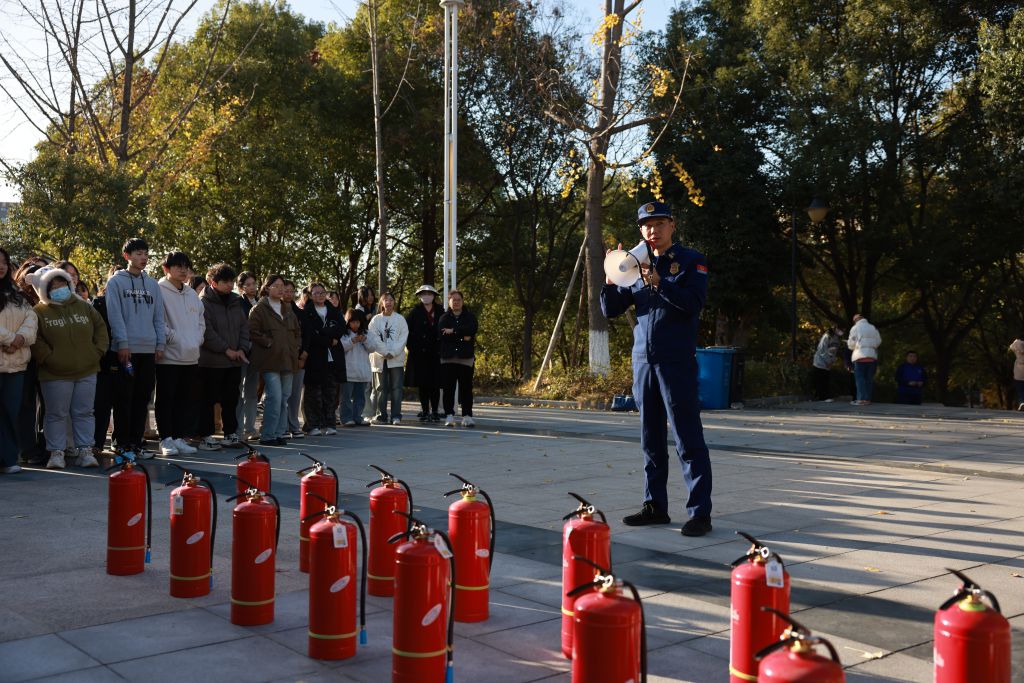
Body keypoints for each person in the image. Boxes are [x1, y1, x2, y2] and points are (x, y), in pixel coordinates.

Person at [600, 200, 714, 537]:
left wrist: (660, 282)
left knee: (687, 438)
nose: (653, 230)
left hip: (675, 361)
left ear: (672, 226)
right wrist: (612, 277)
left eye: (660, 223)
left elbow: (693, 304)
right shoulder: (634, 264)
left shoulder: (690, 261)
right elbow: (610, 309)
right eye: (647, 225)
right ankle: (655, 506)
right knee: (650, 438)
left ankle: (699, 513)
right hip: (643, 362)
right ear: (641, 230)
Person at [28, 267, 108, 469]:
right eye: (53, 285)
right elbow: (36, 339)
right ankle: (56, 453)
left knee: (84, 413)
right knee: (56, 414)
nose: (59, 288)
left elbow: (100, 328)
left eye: (62, 283)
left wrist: (96, 352)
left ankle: (85, 451)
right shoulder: (38, 312)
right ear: (44, 289)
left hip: (87, 370)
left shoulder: (83, 306)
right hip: (54, 374)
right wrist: (49, 358)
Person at [105, 237, 165, 457]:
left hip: (148, 350)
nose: (143, 258)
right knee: (124, 398)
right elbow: (115, 315)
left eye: (146, 253)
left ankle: (136, 443)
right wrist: (122, 343)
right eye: (138, 253)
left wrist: (160, 343)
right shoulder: (115, 282)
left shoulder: (152, 284)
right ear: (127, 256)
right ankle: (121, 443)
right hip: (126, 350)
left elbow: (159, 316)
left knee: (142, 398)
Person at [155, 251, 205, 456]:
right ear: (166, 269)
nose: (183, 271)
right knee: (166, 399)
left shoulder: (192, 294)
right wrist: (174, 338)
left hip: (191, 356)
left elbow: (201, 322)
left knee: (184, 400)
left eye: (186, 266)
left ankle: (178, 437)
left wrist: (196, 339)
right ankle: (165, 439)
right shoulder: (158, 290)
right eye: (178, 266)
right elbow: (158, 321)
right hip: (169, 356)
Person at [197, 263, 250, 450]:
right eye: (225, 282)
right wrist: (226, 349)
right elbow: (206, 331)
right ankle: (206, 436)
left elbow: (244, 327)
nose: (230, 285)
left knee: (231, 399)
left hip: (234, 361)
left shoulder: (236, 301)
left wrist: (242, 349)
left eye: (231, 281)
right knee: (208, 400)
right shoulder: (203, 302)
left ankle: (230, 434)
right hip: (211, 362)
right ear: (213, 282)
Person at [247, 274, 301, 445]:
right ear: (267, 288)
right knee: (274, 397)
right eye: (276, 286)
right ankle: (268, 435)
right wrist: (269, 342)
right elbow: (252, 331)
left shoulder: (288, 309)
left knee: (284, 398)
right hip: (269, 360)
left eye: (282, 286)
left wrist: (295, 347)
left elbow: (297, 332)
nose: (280, 289)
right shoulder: (259, 309)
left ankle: (279, 433)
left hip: (288, 359)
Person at [0, 247, 38, 474]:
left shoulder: (16, 295)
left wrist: (20, 339)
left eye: (4, 261)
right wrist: (10, 338)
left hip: (16, 365)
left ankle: (7, 459)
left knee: (10, 413)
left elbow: (31, 319)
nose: (1, 266)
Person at [13, 261, 47, 466]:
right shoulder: (18, 300)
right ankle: (27, 449)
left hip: (46, 361)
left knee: (47, 406)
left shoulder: (51, 301)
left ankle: (44, 447)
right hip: (23, 358)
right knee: (25, 405)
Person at [302, 282, 346, 434]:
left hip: (332, 357)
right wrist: (328, 338)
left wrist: (324, 332)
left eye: (322, 292)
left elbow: (341, 327)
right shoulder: (307, 312)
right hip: (314, 357)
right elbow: (310, 334)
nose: (320, 295)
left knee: (331, 392)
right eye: (316, 293)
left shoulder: (333, 310)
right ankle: (313, 425)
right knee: (313, 393)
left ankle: (330, 424)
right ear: (310, 295)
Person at [91, 267, 121, 455]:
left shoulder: (131, 302)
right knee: (101, 404)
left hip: (127, 357)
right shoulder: (99, 303)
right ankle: (97, 443)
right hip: (104, 359)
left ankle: (121, 442)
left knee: (123, 403)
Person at [438, 290, 478, 428]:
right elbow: (442, 335)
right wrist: (462, 336)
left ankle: (467, 416)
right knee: (448, 389)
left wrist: (453, 331)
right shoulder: (444, 318)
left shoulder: (470, 317)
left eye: (458, 299)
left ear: (463, 301)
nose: (456, 302)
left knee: (466, 388)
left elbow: (471, 330)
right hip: (448, 358)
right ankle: (449, 415)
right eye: (453, 300)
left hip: (465, 358)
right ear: (449, 302)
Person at [368, 291, 408, 424]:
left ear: (394, 302)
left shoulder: (400, 319)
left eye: (391, 300)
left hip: (396, 359)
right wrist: (384, 352)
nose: (389, 302)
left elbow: (403, 337)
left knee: (396, 388)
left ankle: (396, 416)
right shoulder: (375, 320)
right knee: (380, 388)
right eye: (386, 300)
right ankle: (381, 415)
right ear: (381, 303)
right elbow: (373, 337)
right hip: (379, 358)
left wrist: (394, 352)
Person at [406, 284, 443, 422]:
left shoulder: (441, 311)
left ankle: (435, 411)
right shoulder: (414, 312)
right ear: (419, 296)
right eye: (423, 294)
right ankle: (425, 410)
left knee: (435, 384)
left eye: (429, 294)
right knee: (423, 384)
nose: (426, 296)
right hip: (419, 354)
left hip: (436, 353)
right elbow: (407, 333)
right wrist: (412, 348)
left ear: (434, 296)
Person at [236, 270, 260, 440]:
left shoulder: (260, 303)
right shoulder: (238, 303)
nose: (252, 287)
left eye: (254, 284)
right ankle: (238, 429)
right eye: (248, 285)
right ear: (241, 287)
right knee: (238, 391)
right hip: (242, 349)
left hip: (257, 352)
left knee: (252, 391)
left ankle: (250, 427)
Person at [283, 280, 309, 438]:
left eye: (291, 291)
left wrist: (303, 355)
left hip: (298, 359)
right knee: (281, 395)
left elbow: (307, 336)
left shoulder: (300, 313)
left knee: (295, 394)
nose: (288, 294)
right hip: (280, 359)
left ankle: (293, 425)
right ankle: (282, 427)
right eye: (285, 290)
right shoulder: (274, 311)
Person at [340, 308, 372, 426]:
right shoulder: (344, 334)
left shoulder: (367, 333)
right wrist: (352, 341)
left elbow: (373, 348)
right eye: (353, 322)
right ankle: (346, 418)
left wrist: (365, 341)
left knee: (360, 397)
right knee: (346, 397)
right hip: (348, 371)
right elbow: (341, 348)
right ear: (348, 322)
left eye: (358, 322)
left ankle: (357, 417)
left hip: (362, 371)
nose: (355, 325)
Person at [847, 314, 881, 406]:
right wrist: (871, 346)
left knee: (860, 379)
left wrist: (853, 346)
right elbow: (878, 341)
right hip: (872, 357)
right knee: (869, 379)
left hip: (860, 357)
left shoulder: (855, 328)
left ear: (855, 320)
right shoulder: (873, 327)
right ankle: (867, 399)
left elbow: (851, 344)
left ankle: (861, 399)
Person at [812, 326, 844, 401]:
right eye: (840, 329)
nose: (841, 331)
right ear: (835, 329)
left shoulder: (837, 339)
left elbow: (834, 352)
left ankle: (824, 396)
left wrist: (832, 361)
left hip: (828, 363)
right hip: (820, 362)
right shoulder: (827, 336)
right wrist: (828, 361)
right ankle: (821, 397)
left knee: (825, 380)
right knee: (821, 380)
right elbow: (822, 350)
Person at [1009, 337, 1024, 411]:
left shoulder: (1016, 343)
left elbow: (1011, 348)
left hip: (1019, 368)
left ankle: (1022, 402)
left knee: (1020, 388)